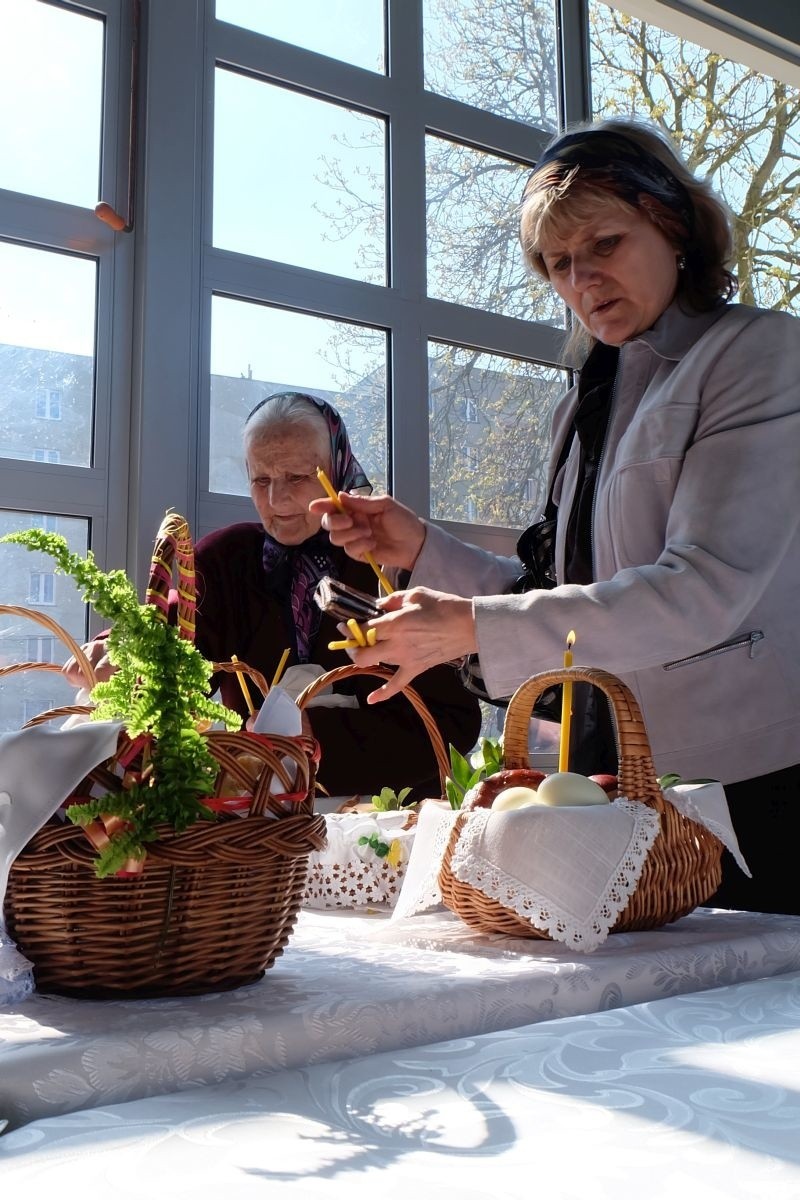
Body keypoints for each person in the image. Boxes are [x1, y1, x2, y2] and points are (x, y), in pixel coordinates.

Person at [310, 119, 800, 915]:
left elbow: (703, 588)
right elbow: (561, 590)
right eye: (560, 264)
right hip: (610, 790)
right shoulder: (582, 404)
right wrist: (422, 549)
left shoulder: (758, 353)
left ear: (673, 225)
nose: (583, 280)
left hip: (754, 791)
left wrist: (471, 624)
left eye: (604, 244)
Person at [66, 392, 481, 801]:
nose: (275, 501)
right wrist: (122, 650)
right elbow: (178, 639)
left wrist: (311, 737)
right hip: (260, 815)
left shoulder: (389, 558)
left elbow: (453, 721)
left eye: (298, 478)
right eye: (260, 480)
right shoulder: (226, 559)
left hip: (386, 817)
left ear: (337, 471)